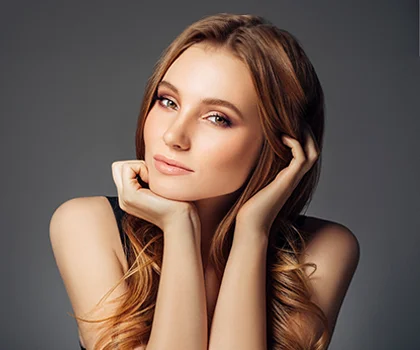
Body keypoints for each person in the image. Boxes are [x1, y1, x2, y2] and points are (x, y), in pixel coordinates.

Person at [49, 13, 360, 350]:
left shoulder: (327, 249)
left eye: (217, 118)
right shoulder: (85, 225)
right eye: (168, 101)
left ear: (279, 147)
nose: (173, 135)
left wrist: (251, 232)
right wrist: (179, 226)